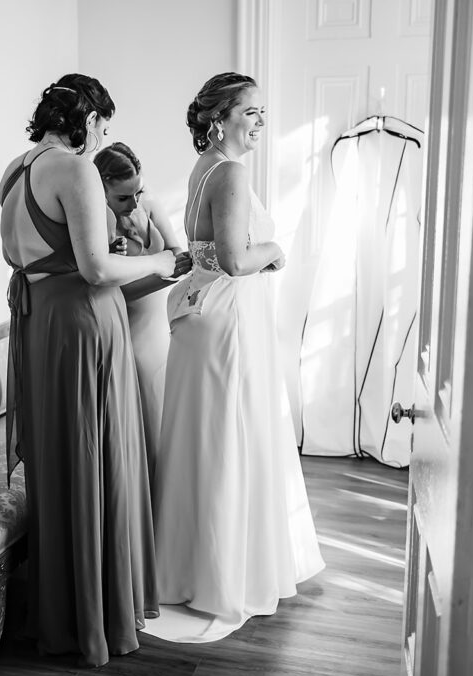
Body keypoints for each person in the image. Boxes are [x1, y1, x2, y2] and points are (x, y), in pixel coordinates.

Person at [0, 73, 175, 667]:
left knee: (62, 463)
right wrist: (161, 259)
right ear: (90, 120)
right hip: (81, 326)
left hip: (40, 324)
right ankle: (97, 616)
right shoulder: (75, 170)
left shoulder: (15, 172)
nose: (103, 138)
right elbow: (97, 269)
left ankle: (63, 609)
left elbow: (37, 258)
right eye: (103, 126)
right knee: (100, 460)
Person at [144, 72, 325, 644]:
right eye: (251, 111)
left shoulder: (206, 170)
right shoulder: (230, 172)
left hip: (206, 315)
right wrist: (277, 250)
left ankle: (191, 567)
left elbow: (208, 253)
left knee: (209, 438)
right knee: (229, 438)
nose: (261, 121)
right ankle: (224, 577)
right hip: (227, 322)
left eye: (263, 111)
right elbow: (235, 258)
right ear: (220, 118)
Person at [93, 143, 190, 492]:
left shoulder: (145, 203)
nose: (133, 203)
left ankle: (166, 518)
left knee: (166, 428)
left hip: (160, 333)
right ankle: (143, 519)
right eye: (123, 198)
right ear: (101, 187)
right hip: (128, 337)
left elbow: (179, 254)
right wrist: (156, 270)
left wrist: (148, 235)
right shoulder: (94, 220)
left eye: (138, 191)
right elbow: (110, 294)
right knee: (145, 432)